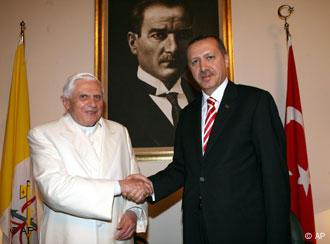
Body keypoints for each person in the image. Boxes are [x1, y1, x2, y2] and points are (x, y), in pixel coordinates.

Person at [127, 35, 291, 243]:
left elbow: (274, 176)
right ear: (189, 70)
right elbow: (181, 168)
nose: (203, 67)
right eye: (195, 62)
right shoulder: (187, 115)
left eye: (210, 57)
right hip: (197, 230)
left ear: (226, 59)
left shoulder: (255, 102)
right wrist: (149, 186)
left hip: (246, 231)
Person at [28, 73, 153, 244]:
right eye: (83, 97)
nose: (92, 104)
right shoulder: (44, 135)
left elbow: (134, 180)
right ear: (66, 102)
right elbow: (54, 189)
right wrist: (119, 186)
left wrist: (134, 212)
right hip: (69, 237)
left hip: (117, 238)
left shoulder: (120, 132)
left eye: (97, 97)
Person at [110, 0, 198, 147]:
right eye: (158, 35)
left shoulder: (204, 99)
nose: (173, 48)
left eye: (182, 35)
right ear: (133, 42)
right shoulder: (115, 106)